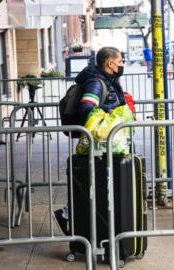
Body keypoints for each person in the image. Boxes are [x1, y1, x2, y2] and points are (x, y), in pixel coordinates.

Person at [54, 46, 127, 234]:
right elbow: (87, 108)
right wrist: (109, 112)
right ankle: (68, 214)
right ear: (110, 63)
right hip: (100, 142)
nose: (121, 65)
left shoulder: (108, 79)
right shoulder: (96, 82)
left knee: (97, 182)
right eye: (119, 62)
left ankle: (72, 215)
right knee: (94, 182)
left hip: (107, 141)